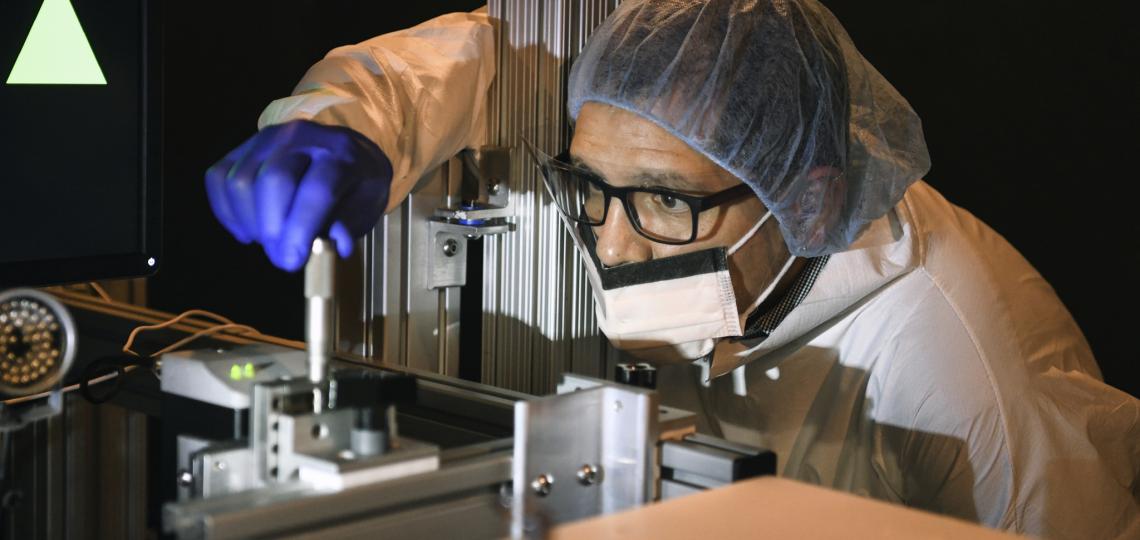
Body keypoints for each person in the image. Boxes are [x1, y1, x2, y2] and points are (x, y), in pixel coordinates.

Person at [203, 1, 1139, 537]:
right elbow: (491, 54)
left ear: (806, 197)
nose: (611, 247)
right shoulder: (690, 159)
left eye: (664, 202)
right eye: (592, 191)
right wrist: (333, 127)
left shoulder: (965, 371)